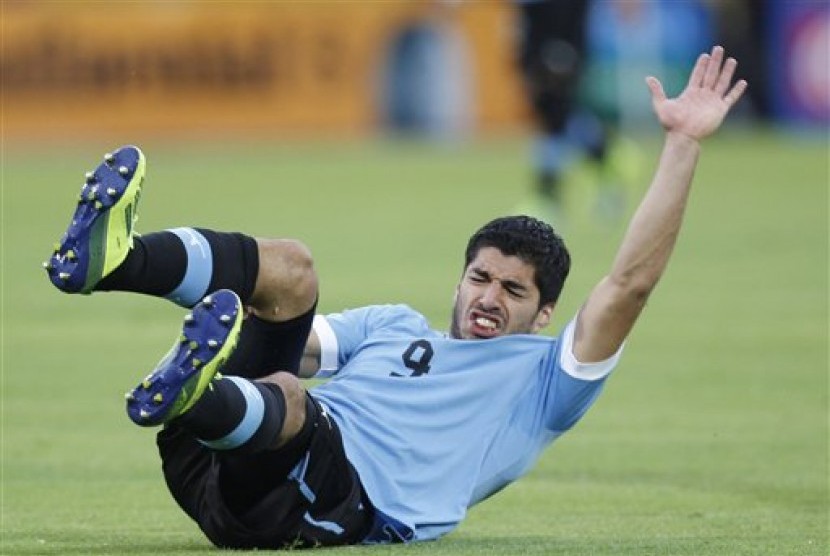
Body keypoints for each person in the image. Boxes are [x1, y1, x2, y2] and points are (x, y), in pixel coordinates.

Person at [44, 46, 746, 549]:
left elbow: (630, 284)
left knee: (290, 396)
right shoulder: (392, 325)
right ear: (460, 277)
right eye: (480, 277)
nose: (489, 297)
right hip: (217, 457)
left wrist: (682, 143)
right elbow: (297, 334)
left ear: (544, 314)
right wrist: (235, 331)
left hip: (319, 505)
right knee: (291, 269)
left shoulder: (543, 385)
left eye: (512, 290)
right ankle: (113, 262)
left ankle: (196, 395)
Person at [514, 0, 625, 220]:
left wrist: (569, 51)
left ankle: (547, 197)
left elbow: (576, 17)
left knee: (555, 119)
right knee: (559, 118)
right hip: (537, 43)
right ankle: (605, 156)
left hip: (565, 45)